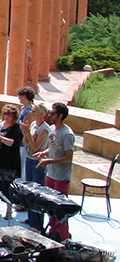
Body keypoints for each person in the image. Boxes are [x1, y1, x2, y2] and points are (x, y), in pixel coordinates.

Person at [36, 102, 76, 240]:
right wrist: (44, 153)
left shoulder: (67, 134)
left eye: (52, 113)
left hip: (61, 176)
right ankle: (53, 230)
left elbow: (68, 157)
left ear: (60, 116)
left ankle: (63, 235)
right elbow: (53, 147)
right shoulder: (53, 129)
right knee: (51, 205)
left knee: (60, 207)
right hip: (51, 174)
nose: (50, 115)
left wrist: (49, 161)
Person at [22, 103, 51, 230]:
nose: (32, 113)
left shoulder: (44, 129)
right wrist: (25, 132)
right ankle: (31, 218)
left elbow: (35, 147)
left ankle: (37, 223)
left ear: (42, 114)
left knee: (37, 192)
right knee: (29, 191)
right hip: (29, 159)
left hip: (37, 162)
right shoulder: (33, 124)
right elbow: (26, 142)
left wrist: (28, 133)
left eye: (34, 111)